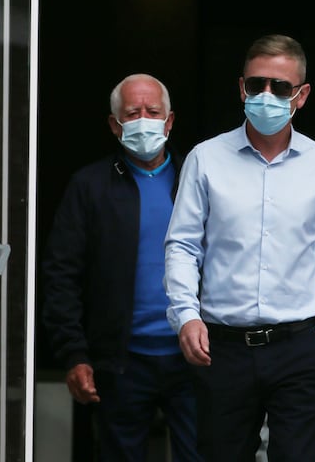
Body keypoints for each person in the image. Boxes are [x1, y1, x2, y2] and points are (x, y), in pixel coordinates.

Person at [163, 34, 315, 461]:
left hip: (300, 345)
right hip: (222, 347)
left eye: (280, 87)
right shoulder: (205, 158)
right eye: (257, 85)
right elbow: (182, 245)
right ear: (241, 88)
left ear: (302, 95)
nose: (267, 95)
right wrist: (186, 316)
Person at [41, 73, 202, 461]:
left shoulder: (198, 180)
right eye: (133, 113)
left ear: (170, 121)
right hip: (121, 361)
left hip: (196, 358)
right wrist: (75, 354)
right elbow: (61, 274)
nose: (144, 119)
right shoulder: (90, 186)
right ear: (115, 125)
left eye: (153, 111)